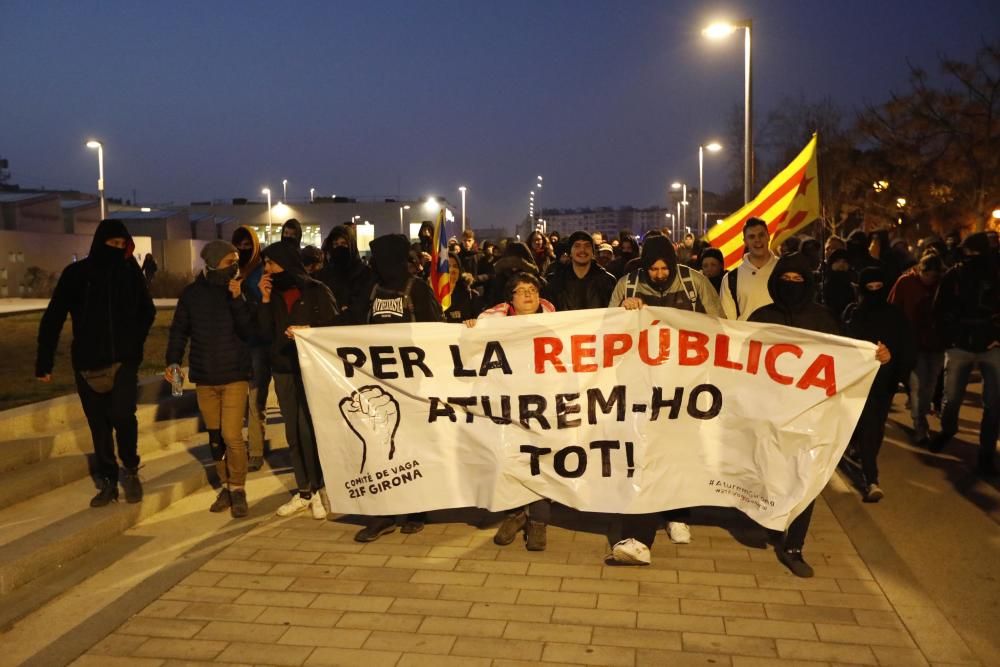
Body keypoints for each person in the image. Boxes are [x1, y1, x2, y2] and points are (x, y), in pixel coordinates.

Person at [747, 253, 890, 576]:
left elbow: (848, 355)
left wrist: (876, 356)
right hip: (769, 413)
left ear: (808, 283)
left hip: (811, 414)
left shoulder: (823, 319)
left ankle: (795, 544)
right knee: (771, 471)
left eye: (799, 281)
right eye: (787, 281)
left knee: (805, 476)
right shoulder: (761, 317)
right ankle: (772, 520)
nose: (792, 286)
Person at [607, 235, 723, 565]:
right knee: (646, 452)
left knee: (681, 450)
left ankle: (677, 515)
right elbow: (606, 327)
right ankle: (640, 525)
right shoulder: (627, 286)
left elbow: (719, 324)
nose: (659, 274)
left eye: (664, 268)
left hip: (686, 384)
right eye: (653, 269)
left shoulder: (694, 283)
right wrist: (621, 312)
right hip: (641, 384)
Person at [36, 219, 156, 507]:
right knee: (99, 426)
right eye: (111, 244)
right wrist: (44, 361)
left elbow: (147, 311)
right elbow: (53, 317)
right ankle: (108, 481)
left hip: (123, 361)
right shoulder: (77, 274)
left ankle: (130, 467)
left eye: (120, 244)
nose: (116, 249)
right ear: (99, 242)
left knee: (122, 416)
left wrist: (134, 345)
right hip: (87, 363)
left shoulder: (129, 274)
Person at [354, 234, 443, 542]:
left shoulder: (416, 288)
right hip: (380, 382)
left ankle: (418, 508)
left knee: (413, 446)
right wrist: (311, 333)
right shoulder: (373, 289)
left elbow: (435, 330)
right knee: (381, 446)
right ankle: (383, 514)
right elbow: (351, 322)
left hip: (413, 383)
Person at [467, 272, 556, 550]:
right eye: (521, 291)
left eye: (533, 289)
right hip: (506, 402)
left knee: (539, 458)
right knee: (509, 456)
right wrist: (471, 329)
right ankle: (515, 514)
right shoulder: (493, 323)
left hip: (542, 402)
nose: (529, 295)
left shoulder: (556, 321)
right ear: (511, 298)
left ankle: (539, 520)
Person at [166, 241, 254, 517]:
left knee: (232, 436)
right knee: (215, 437)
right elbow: (179, 330)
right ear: (215, 263)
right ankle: (226, 488)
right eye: (231, 262)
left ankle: (238, 489)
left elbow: (250, 330)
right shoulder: (192, 295)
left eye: (237, 262)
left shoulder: (240, 291)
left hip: (234, 375)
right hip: (205, 376)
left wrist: (238, 299)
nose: (235, 267)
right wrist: (173, 360)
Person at [257, 241, 341, 519]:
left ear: (285, 262)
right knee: (292, 432)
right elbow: (262, 334)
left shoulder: (315, 290)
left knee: (309, 430)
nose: (267, 269)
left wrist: (309, 331)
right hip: (283, 369)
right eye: (265, 264)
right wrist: (265, 301)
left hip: (311, 371)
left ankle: (320, 488)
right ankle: (304, 490)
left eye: (271, 263)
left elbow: (336, 328)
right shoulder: (272, 295)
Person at [842, 267, 915, 501]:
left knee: (875, 428)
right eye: (869, 288)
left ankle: (866, 464)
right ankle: (871, 478)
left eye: (878, 288)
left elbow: (905, 347)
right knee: (866, 428)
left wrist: (898, 370)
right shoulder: (853, 314)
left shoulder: (895, 315)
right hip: (859, 382)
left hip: (885, 383)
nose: (874, 292)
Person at [930, 232, 1000, 476]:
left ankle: (985, 450)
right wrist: (950, 338)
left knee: (989, 403)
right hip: (963, 345)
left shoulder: (991, 273)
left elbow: (939, 310)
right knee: (957, 398)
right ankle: (952, 432)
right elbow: (939, 310)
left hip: (987, 346)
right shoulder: (955, 275)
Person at [889, 253, 945, 446]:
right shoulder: (905, 283)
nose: (930, 280)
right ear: (920, 271)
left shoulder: (941, 285)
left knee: (931, 384)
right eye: (927, 276)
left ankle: (921, 416)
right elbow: (894, 309)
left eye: (934, 277)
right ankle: (919, 425)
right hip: (914, 343)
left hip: (936, 342)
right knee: (918, 385)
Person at [232, 225, 269, 471]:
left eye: (248, 245)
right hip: (236, 342)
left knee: (256, 399)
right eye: (240, 246)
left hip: (258, 343)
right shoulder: (231, 270)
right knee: (239, 400)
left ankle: (255, 449)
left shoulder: (261, 271)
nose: (244, 249)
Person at [720, 218, 779, 321]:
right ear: (745, 242)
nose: (757, 240)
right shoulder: (731, 279)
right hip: (745, 337)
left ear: (768, 236)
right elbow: (728, 323)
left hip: (779, 336)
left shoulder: (784, 271)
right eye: (752, 237)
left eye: (761, 235)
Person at [543, 231, 616, 311]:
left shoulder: (607, 281)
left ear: (593, 252)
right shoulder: (555, 281)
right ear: (570, 252)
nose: (582, 250)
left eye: (587, 246)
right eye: (577, 246)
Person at [318, 225, 375, 324]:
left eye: (344, 244)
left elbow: (361, 307)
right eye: (335, 244)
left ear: (351, 245)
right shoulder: (324, 274)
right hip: (329, 331)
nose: (339, 248)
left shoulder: (364, 273)